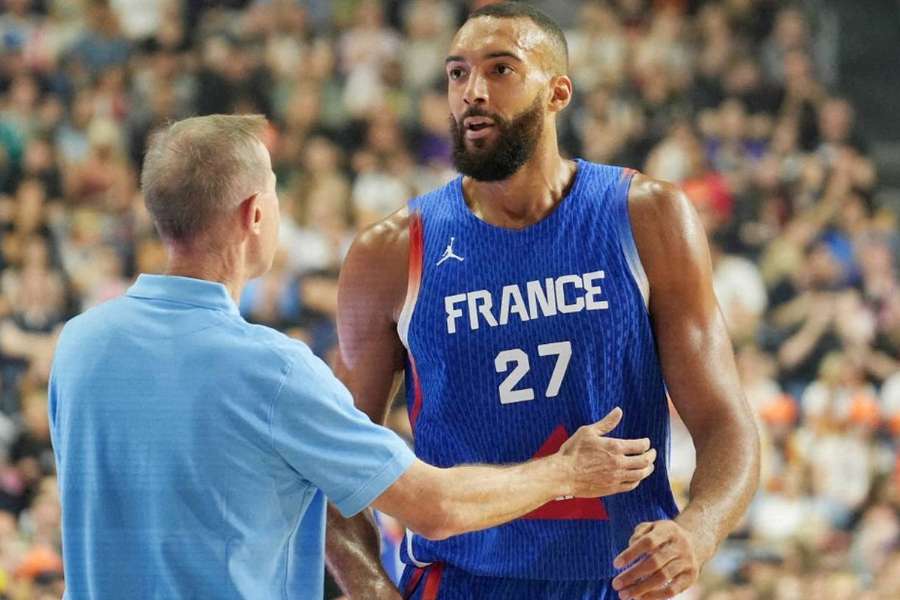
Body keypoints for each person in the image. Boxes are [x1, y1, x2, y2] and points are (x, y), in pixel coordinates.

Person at [47, 114, 659, 599]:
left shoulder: (77, 345)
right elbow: (433, 508)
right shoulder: (272, 369)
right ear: (254, 216)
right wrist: (567, 472)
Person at [330, 3, 760, 599]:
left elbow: (726, 423)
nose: (472, 92)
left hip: (622, 581)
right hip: (461, 581)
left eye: (500, 70)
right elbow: (334, 458)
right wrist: (371, 589)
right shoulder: (392, 251)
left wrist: (699, 530)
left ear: (557, 92)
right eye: (457, 74)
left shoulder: (647, 216)